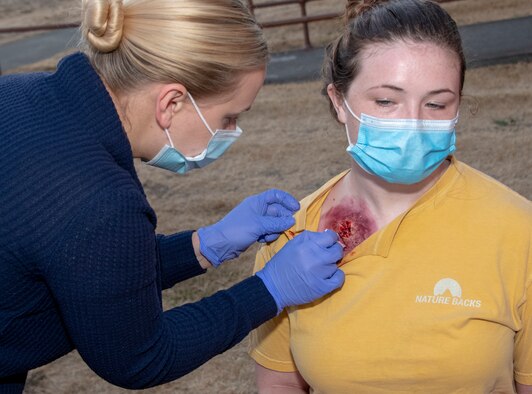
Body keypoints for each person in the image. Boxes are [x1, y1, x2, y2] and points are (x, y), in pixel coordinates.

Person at [0, 0, 346, 392]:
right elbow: (140, 357)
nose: (232, 132)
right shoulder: (101, 202)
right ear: (172, 103)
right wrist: (269, 289)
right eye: (229, 118)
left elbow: (93, 272)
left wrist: (205, 245)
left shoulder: (17, 93)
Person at [248, 0, 532, 392]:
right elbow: (279, 381)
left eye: (437, 104)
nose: (413, 123)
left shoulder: (519, 231)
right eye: (385, 101)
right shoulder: (292, 237)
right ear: (338, 101)